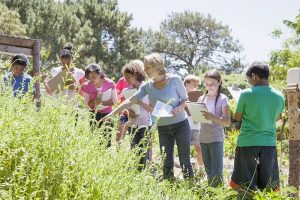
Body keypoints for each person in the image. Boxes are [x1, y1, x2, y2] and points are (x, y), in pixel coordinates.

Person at [104, 53, 193, 180]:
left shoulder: (175, 80)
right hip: (163, 127)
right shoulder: (147, 86)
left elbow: (185, 99)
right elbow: (130, 100)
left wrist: (178, 108)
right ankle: (169, 184)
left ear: (156, 67)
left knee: (185, 159)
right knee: (166, 160)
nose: (144, 70)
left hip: (180, 125)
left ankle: (190, 185)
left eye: (147, 67)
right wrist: (112, 113)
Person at [230, 62, 284, 194]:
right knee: (268, 185)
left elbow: (238, 118)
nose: (249, 82)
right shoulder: (279, 96)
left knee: (245, 185)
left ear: (254, 76)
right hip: (269, 143)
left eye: (248, 78)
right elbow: (277, 118)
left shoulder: (246, 94)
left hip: (248, 142)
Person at [111, 60, 153, 171]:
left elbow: (152, 109)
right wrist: (129, 111)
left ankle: (144, 174)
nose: (126, 80)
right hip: (132, 124)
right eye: (125, 77)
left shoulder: (147, 87)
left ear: (136, 74)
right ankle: (137, 174)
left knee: (144, 152)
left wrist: (141, 103)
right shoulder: (126, 90)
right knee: (135, 151)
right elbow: (126, 106)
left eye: (128, 77)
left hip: (145, 124)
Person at [198, 69, 231, 187]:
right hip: (203, 138)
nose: (209, 86)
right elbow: (199, 119)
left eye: (212, 84)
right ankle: (211, 192)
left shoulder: (223, 99)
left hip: (216, 138)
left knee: (217, 171)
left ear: (219, 82)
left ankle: (218, 193)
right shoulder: (202, 98)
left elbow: (227, 122)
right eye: (206, 84)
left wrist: (213, 117)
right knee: (209, 170)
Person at [82, 63, 117, 147]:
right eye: (89, 77)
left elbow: (114, 101)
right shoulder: (87, 85)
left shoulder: (110, 83)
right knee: (95, 138)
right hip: (94, 115)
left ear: (100, 74)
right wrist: (95, 101)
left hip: (107, 114)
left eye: (94, 77)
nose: (91, 79)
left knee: (107, 139)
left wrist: (102, 103)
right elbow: (87, 104)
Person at [183, 75, 204, 170]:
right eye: (194, 84)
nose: (196, 87)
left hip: (195, 125)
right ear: (187, 84)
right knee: (184, 149)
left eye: (197, 85)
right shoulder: (180, 95)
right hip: (183, 125)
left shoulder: (200, 97)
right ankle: (187, 170)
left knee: (199, 149)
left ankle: (200, 168)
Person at [115, 76, 130, 143]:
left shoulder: (140, 81)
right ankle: (118, 151)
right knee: (119, 135)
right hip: (123, 113)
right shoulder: (122, 80)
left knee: (134, 136)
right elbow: (115, 97)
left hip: (136, 113)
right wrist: (123, 94)